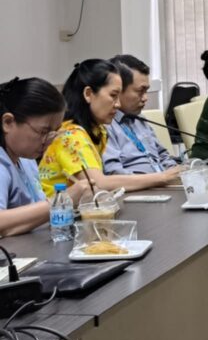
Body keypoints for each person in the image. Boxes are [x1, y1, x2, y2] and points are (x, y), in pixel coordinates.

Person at [38, 60, 181, 197]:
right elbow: (99, 183)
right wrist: (162, 177)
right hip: (56, 212)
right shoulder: (70, 135)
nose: (118, 104)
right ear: (88, 94)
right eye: (113, 95)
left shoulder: (97, 131)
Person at [0, 77, 90, 236]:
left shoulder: (26, 160)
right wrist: (63, 199)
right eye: (43, 132)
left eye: (54, 132)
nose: (48, 141)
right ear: (8, 122)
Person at [103, 54, 179, 174]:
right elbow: (114, 173)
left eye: (146, 91)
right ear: (118, 89)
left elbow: (163, 156)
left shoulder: (140, 119)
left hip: (163, 181)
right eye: (140, 91)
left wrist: (179, 174)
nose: (145, 98)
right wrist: (161, 179)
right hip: (142, 185)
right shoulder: (105, 125)